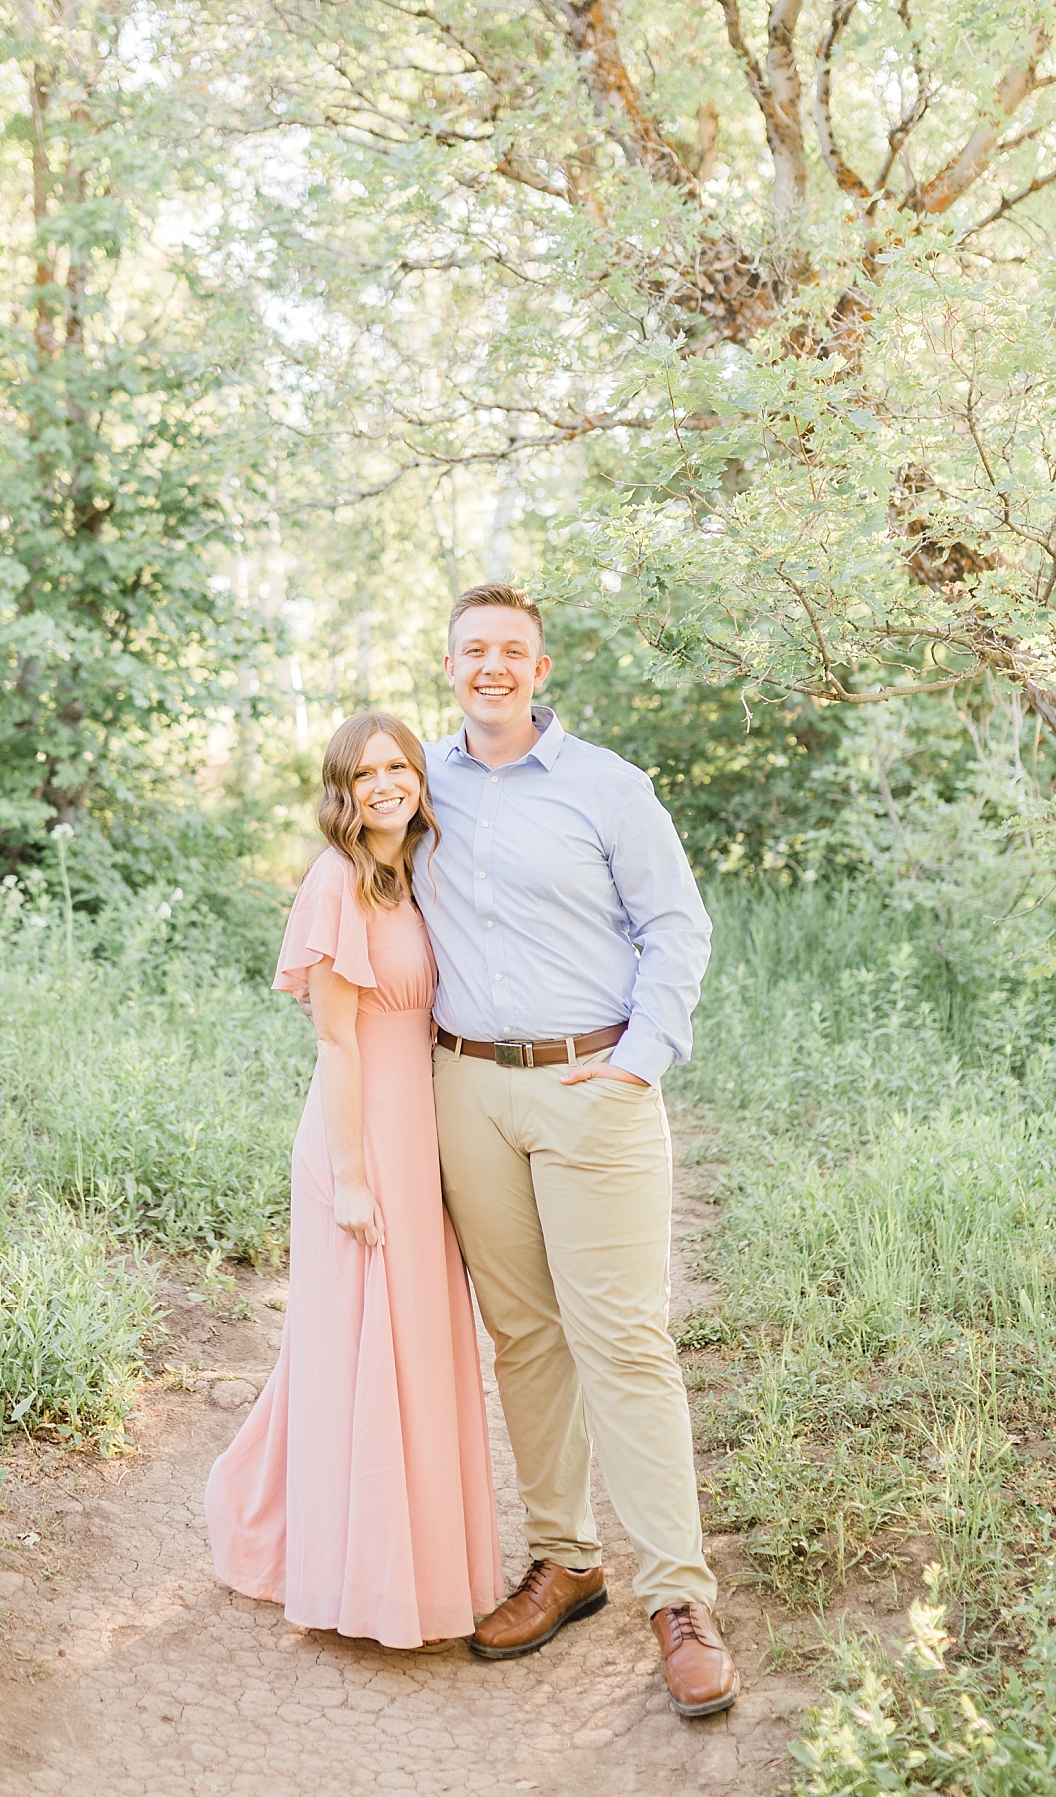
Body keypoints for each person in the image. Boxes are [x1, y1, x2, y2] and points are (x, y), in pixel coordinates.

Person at [416, 584, 739, 1718]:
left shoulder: (610, 785)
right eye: (474, 650)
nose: (492, 666)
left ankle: (680, 1600)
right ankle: (568, 1558)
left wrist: (641, 1060)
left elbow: (677, 925)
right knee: (523, 1335)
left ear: (541, 670)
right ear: (448, 664)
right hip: (465, 1087)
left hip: (593, 1084)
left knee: (625, 1340)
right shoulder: (419, 783)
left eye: (513, 651)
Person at [204, 712, 501, 1650]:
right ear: (343, 788)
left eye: (398, 766)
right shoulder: (338, 882)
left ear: (420, 776)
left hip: (422, 1137)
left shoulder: (418, 875)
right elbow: (335, 1038)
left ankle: (415, 1563)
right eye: (364, 771)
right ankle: (350, 1571)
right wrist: (350, 1175)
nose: (383, 784)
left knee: (415, 1345)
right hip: (361, 1137)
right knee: (359, 1350)